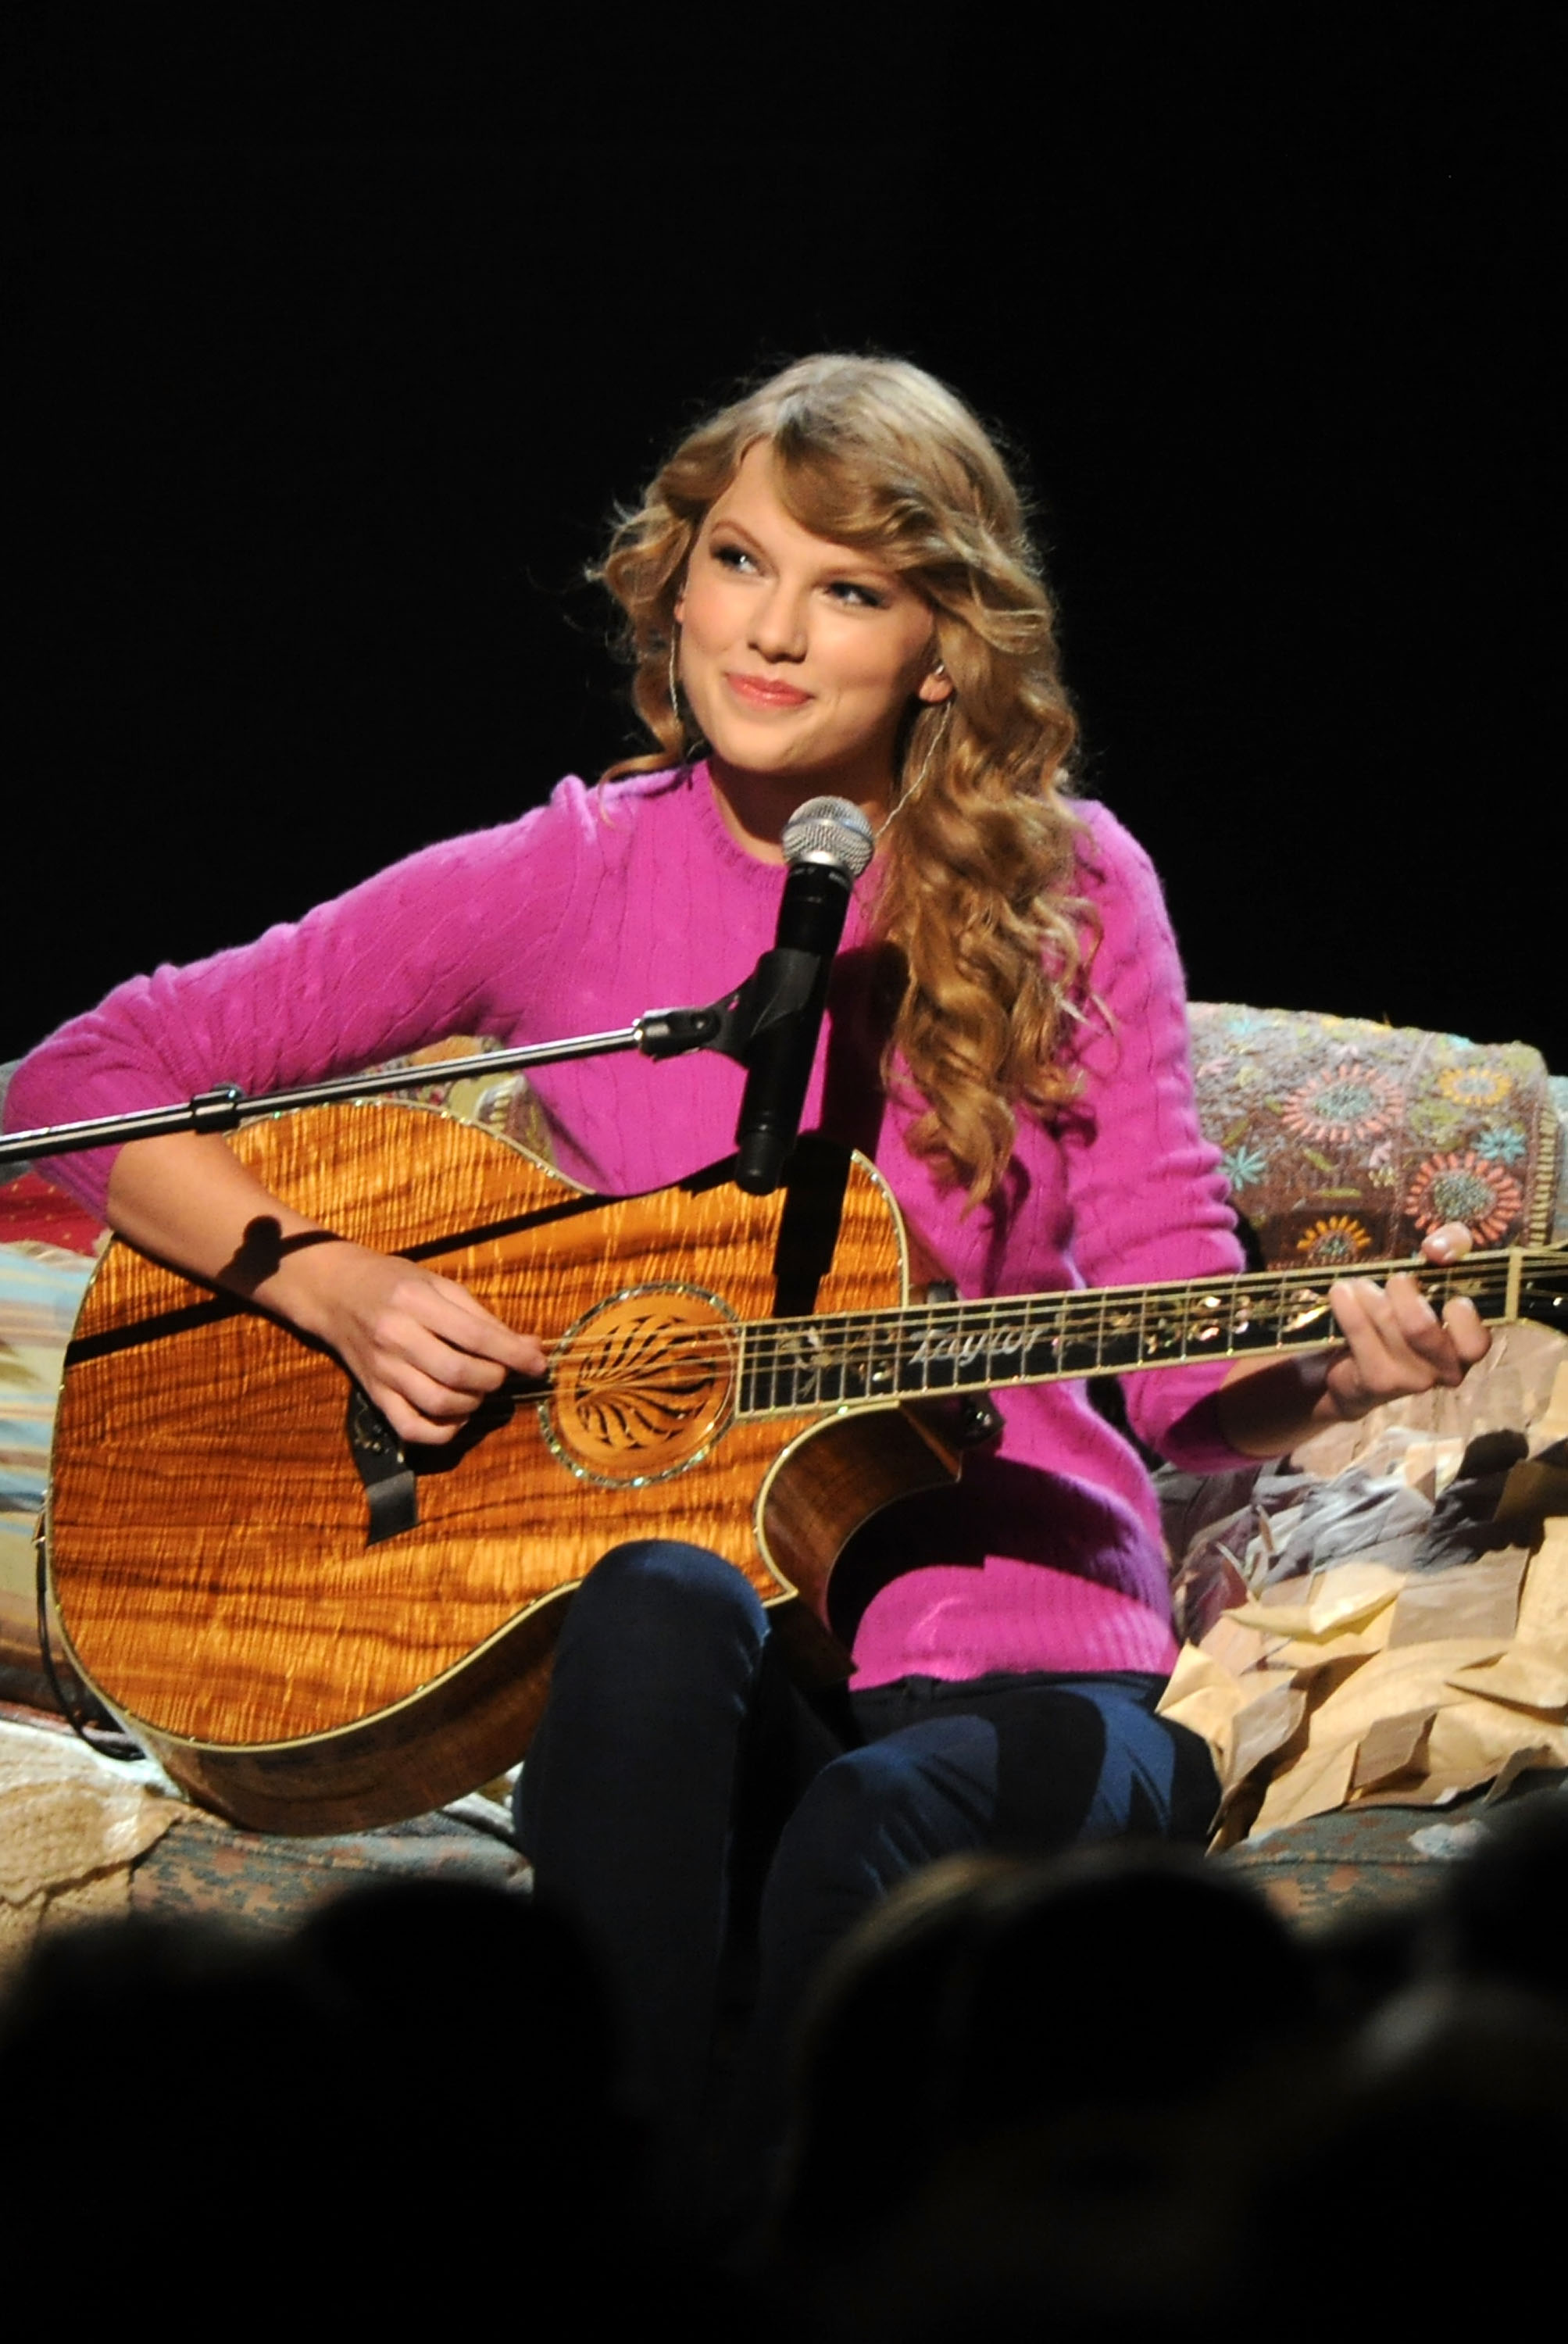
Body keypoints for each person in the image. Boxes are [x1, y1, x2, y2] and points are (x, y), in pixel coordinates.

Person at [3, 355, 1489, 2202]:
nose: (771, 632)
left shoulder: (1071, 886)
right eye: (737, 562)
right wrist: (330, 1281)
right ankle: (607, 2205)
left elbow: (1184, 1373)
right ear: (677, 578)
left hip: (1016, 1652)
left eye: (847, 589)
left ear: (940, 649)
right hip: (709, 1643)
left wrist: (1340, 1371)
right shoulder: (563, 878)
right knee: (648, 1600)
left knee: (866, 1827)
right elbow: (76, 1083)